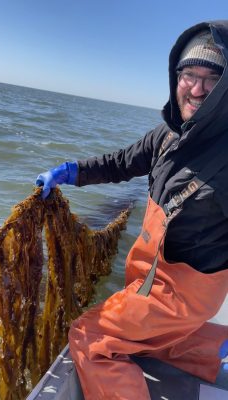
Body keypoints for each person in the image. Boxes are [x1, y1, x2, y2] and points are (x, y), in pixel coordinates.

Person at [36, 20, 228, 399]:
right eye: (189, 74)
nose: (197, 88)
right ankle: (204, 348)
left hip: (184, 294)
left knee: (88, 335)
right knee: (150, 340)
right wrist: (71, 172)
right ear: (176, 77)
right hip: (154, 277)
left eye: (213, 78)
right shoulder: (167, 134)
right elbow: (121, 162)